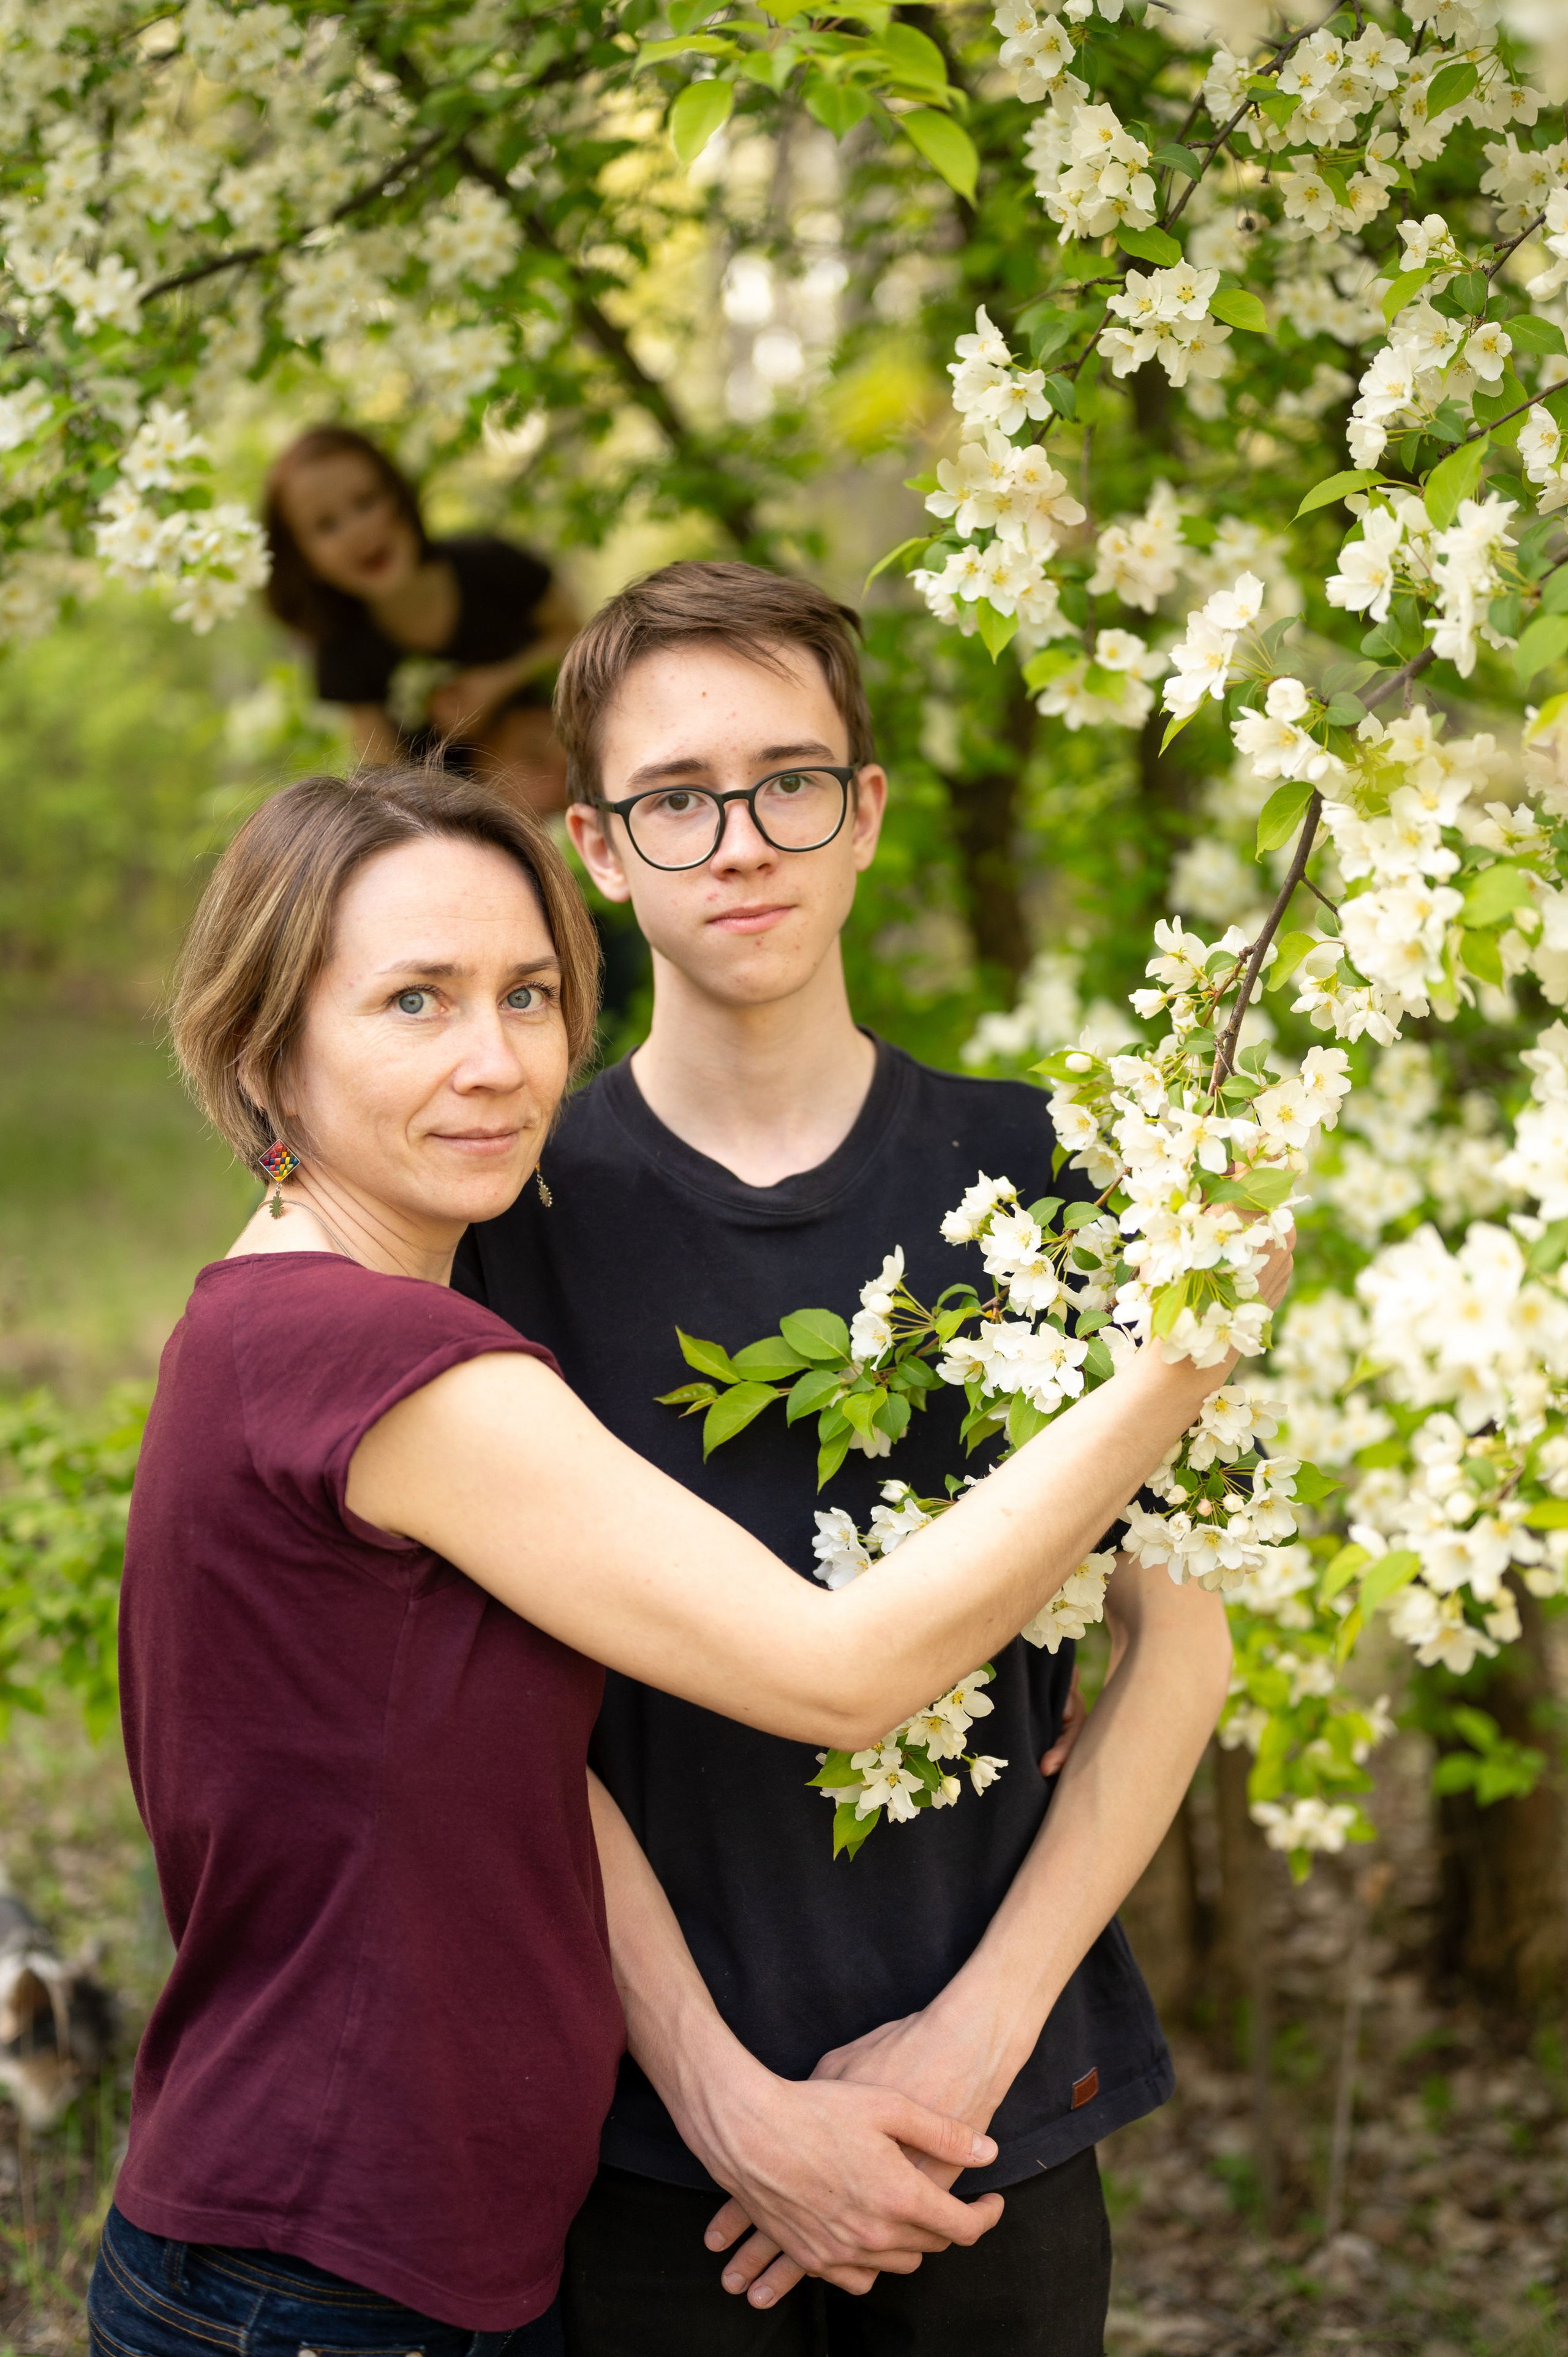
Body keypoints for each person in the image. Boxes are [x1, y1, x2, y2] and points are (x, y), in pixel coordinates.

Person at [88, 764, 1286, 2357]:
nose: (497, 1062)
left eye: (529, 994)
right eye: (413, 1003)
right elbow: (840, 1673)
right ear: (265, 1050)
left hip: (387, 2255)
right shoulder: (375, 1361)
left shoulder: (302, 1329)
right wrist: (1175, 1366)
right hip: (321, 2280)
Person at [452, 562, 1248, 2356]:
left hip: (993, 2110)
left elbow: (1179, 1640)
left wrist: (972, 2041)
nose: (740, 839)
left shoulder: (1077, 1177)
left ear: (866, 808)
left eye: (790, 777)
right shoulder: (509, 1216)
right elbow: (498, 1716)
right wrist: (727, 2097)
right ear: (597, 841)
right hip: (645, 2141)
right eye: (677, 796)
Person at [263, 425, 578, 812]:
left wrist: (496, 684)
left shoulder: (493, 565)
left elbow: (578, 636)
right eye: (326, 526)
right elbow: (386, 781)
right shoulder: (342, 653)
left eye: (366, 502)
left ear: (399, 496)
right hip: (472, 816)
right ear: (304, 560)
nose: (359, 532)